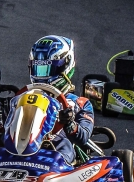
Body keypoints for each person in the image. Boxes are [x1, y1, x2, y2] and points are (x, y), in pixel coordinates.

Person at [28, 35, 93, 165]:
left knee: (64, 144)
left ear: (65, 66)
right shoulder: (25, 97)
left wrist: (69, 123)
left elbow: (84, 137)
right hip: (23, 143)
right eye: (38, 70)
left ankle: (56, 165)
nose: (42, 76)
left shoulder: (80, 103)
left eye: (47, 70)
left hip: (56, 147)